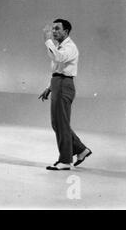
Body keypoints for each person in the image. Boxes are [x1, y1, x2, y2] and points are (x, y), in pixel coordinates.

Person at [39, 18, 92, 170]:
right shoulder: (60, 46)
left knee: (61, 123)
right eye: (53, 29)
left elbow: (58, 58)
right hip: (58, 84)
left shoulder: (70, 47)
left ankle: (66, 160)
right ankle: (81, 150)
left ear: (66, 31)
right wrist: (49, 87)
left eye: (57, 29)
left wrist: (47, 41)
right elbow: (58, 69)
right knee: (57, 123)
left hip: (64, 85)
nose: (54, 31)